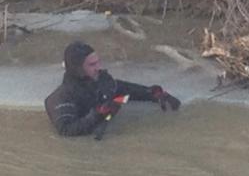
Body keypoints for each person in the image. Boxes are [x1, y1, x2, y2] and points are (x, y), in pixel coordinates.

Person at [45, 41, 181, 138]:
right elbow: (66, 130)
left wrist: (153, 93)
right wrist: (98, 114)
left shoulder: (101, 80)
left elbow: (123, 89)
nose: (98, 67)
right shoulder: (61, 97)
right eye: (92, 64)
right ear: (77, 68)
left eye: (98, 62)